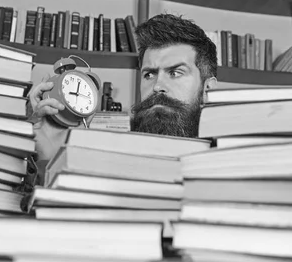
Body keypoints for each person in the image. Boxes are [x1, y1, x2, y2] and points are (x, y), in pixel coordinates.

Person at [28, 12, 217, 163]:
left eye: (175, 73)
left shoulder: (233, 159)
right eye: (149, 74)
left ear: (208, 89)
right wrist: (53, 154)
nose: (157, 86)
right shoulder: (107, 156)